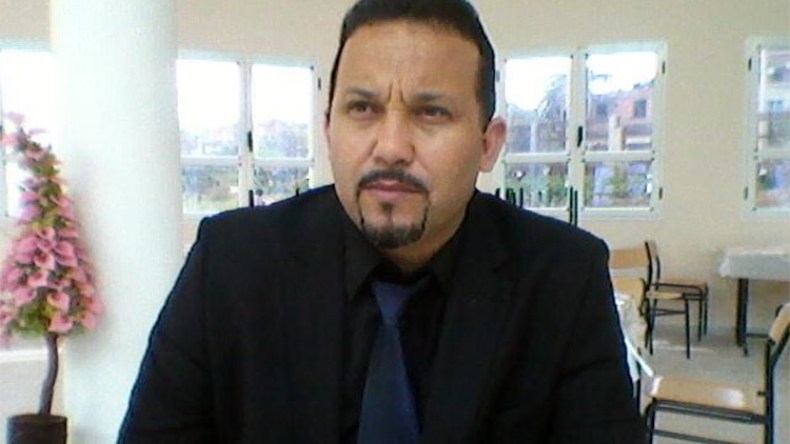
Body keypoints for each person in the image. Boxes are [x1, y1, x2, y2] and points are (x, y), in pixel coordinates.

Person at [118, 0, 645, 442]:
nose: (391, 147)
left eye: (431, 112)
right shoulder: (232, 262)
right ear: (329, 128)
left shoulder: (562, 276)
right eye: (363, 109)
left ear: (488, 144)